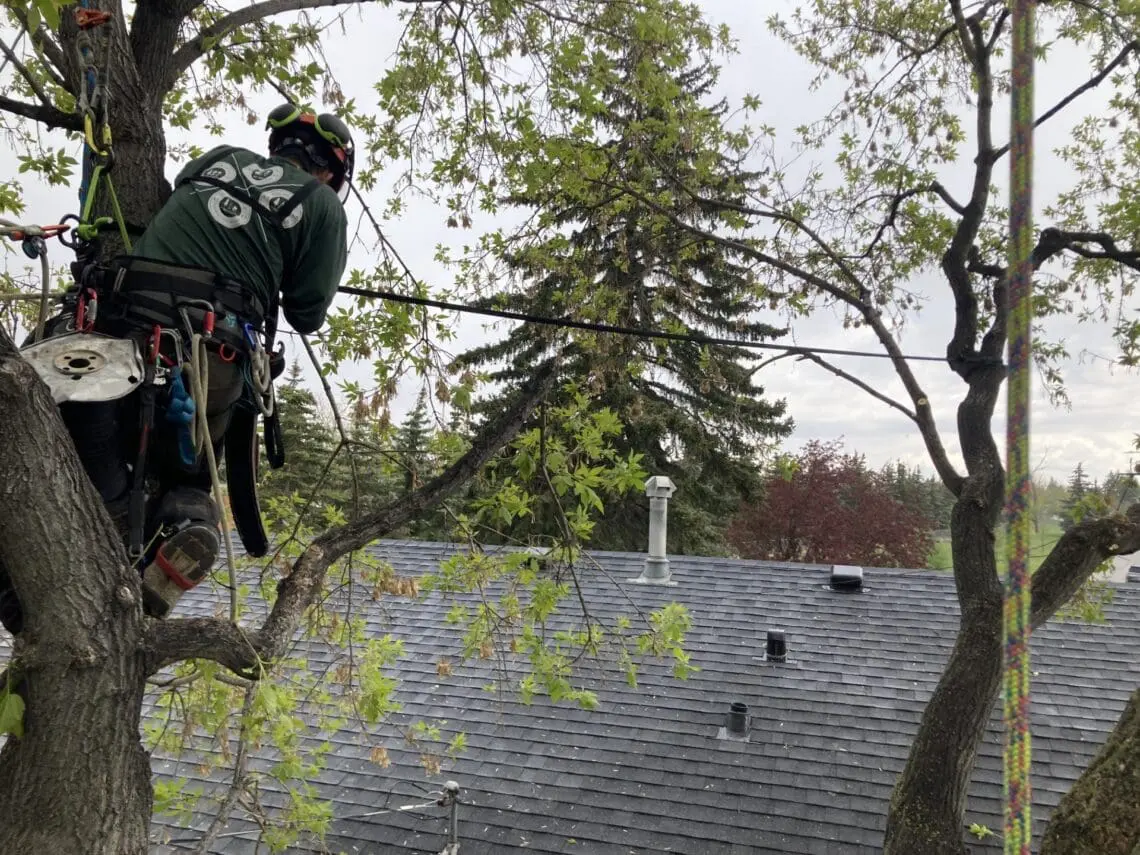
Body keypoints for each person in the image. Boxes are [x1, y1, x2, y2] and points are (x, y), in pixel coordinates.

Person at [0, 104, 352, 632]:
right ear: (330, 169)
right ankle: (185, 524)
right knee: (186, 468)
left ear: (276, 147)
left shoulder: (218, 158)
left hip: (115, 323)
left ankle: (40, 565)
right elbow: (307, 311)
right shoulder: (323, 205)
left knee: (87, 438)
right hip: (207, 347)